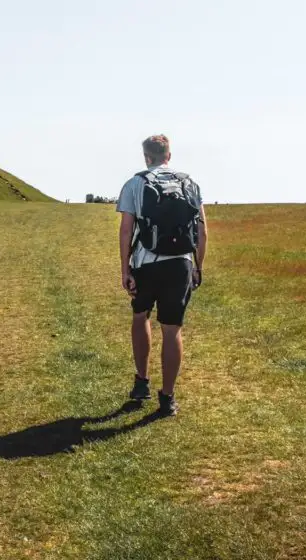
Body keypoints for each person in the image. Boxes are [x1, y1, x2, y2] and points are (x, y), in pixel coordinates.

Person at [116, 135, 207, 416]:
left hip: (146, 263)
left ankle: (141, 381)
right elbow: (202, 231)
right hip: (179, 264)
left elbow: (126, 230)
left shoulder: (135, 183)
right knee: (172, 329)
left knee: (140, 315)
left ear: (147, 156)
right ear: (169, 155)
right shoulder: (190, 183)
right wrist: (197, 266)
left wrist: (125, 268)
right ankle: (167, 397)